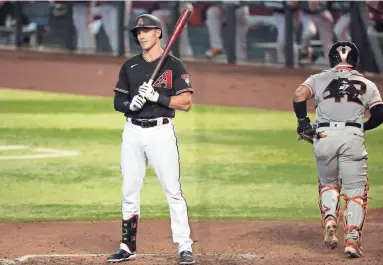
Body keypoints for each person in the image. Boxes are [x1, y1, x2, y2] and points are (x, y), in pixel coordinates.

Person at [107, 14, 195, 265]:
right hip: (133, 132)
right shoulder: (130, 66)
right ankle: (127, 245)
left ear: (158, 33)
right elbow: (117, 101)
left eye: (146, 30)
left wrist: (159, 98)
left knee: (173, 191)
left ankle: (184, 246)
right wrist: (130, 104)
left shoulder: (174, 65)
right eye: (138, 32)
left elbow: (186, 102)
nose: (141, 35)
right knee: (129, 190)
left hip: (161, 132)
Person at [293, 41, 383, 258]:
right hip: (352, 137)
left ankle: (331, 217)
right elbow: (379, 115)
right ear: (355, 61)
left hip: (324, 136)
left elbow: (298, 95)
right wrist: (362, 127)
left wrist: (304, 122)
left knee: (328, 184)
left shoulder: (318, 78)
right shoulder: (367, 84)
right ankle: (352, 239)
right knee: (355, 192)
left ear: (331, 59)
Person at [299, 0, 334, 65]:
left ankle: (328, 61)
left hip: (322, 14)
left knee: (327, 41)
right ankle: (305, 52)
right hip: (307, 14)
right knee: (309, 32)